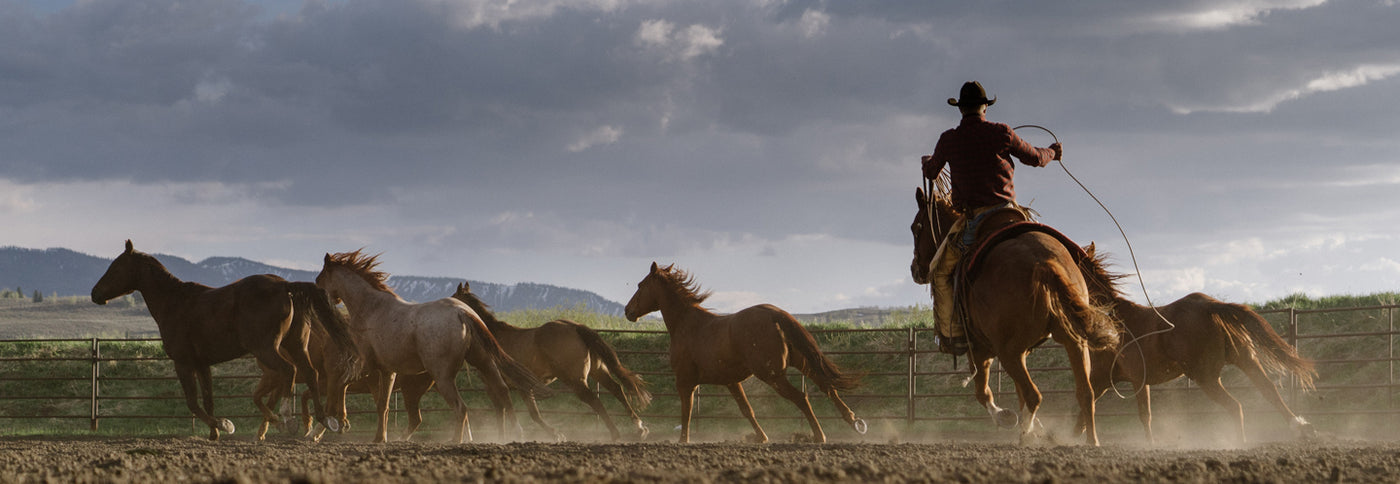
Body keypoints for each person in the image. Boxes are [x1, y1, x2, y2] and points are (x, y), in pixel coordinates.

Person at [921, 81, 1062, 355]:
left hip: (975, 220)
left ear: (960, 109)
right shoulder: (1002, 133)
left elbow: (931, 172)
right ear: (985, 107)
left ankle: (954, 335)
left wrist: (927, 163)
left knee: (939, 272)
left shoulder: (948, 140)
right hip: (1012, 212)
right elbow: (1036, 158)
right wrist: (1053, 152)